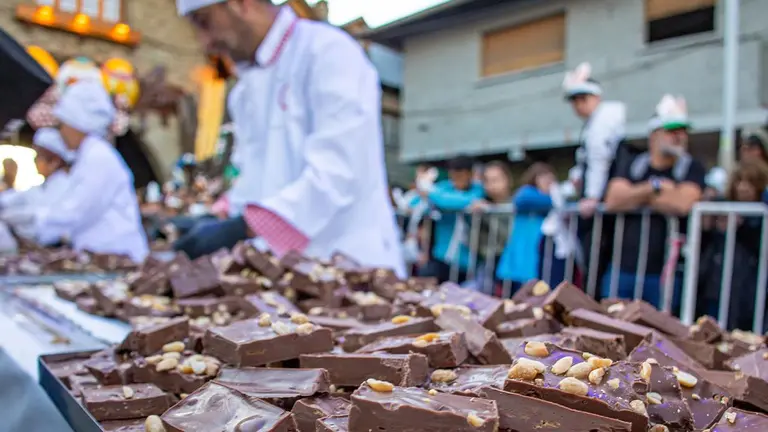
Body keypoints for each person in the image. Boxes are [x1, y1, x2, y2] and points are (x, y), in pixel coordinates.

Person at [175, 0, 404, 274]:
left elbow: (338, 171)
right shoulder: (243, 93)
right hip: (283, 277)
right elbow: (253, 179)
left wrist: (244, 226)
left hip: (354, 269)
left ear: (241, 4)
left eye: (204, 22)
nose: (205, 42)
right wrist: (217, 217)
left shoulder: (328, 51)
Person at [603, 94, 706, 311]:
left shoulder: (691, 167)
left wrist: (635, 196)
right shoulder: (633, 164)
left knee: (658, 338)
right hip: (623, 267)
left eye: (683, 131)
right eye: (672, 130)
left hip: (664, 273)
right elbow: (613, 199)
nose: (679, 136)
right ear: (654, 135)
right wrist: (655, 188)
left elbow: (681, 203)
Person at [34, 80, 148, 262]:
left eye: (63, 125)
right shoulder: (88, 156)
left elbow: (77, 211)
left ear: (76, 124)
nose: (62, 132)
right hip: (102, 257)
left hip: (118, 258)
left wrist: (35, 221)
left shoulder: (99, 158)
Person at [562, 62, 627, 295]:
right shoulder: (595, 125)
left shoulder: (602, 124)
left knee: (596, 265)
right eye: (575, 101)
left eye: (583, 99)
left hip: (600, 211)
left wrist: (591, 196)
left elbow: (600, 159)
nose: (578, 106)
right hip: (597, 204)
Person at [698, 161, 768, 329]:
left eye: (750, 182)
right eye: (740, 181)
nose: (743, 187)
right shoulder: (722, 207)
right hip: (717, 286)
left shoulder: (762, 215)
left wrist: (741, 228)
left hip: (750, 292)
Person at [0, 128, 75, 250]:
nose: (35, 162)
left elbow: (53, 217)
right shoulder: (40, 187)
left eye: (38, 157)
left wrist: (25, 216)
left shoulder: (66, 185)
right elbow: (10, 199)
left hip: (57, 248)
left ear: (54, 161)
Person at [416, 155, 484, 283]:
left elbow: (449, 201)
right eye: (453, 176)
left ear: (470, 174)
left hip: (465, 260)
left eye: (460, 176)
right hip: (441, 255)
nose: (456, 180)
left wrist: (430, 193)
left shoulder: (478, 190)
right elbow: (418, 202)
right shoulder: (444, 187)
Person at [497, 163, 555, 294]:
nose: (549, 183)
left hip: (539, 251)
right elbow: (521, 199)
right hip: (522, 251)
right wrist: (556, 198)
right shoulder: (527, 193)